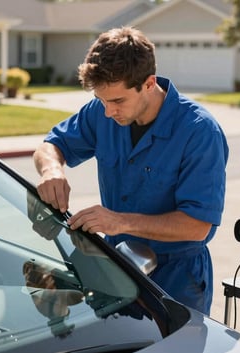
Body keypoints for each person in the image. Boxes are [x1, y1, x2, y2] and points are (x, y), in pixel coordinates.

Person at [33, 26, 229, 315]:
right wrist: (52, 170)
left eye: (117, 101)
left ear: (149, 84)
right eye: (101, 100)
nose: (108, 112)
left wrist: (119, 222)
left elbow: (197, 226)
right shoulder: (102, 111)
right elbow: (51, 145)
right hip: (118, 267)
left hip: (177, 279)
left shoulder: (199, 132)